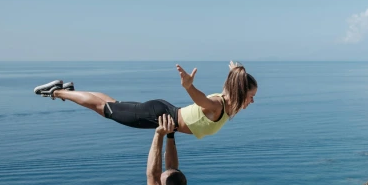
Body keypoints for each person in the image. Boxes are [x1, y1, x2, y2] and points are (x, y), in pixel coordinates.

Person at [33, 62, 257, 139]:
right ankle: (56, 92)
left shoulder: (226, 106)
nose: (252, 101)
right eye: (251, 97)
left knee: (112, 104)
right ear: (239, 92)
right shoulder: (218, 105)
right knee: (105, 108)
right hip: (159, 115)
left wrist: (236, 72)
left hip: (162, 110)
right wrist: (189, 87)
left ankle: (70, 91)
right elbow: (200, 101)